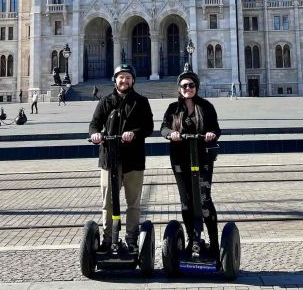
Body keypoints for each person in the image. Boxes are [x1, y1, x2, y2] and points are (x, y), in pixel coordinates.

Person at [89, 64, 154, 253]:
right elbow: (94, 124)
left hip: (133, 159)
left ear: (133, 80)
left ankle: (132, 239)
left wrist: (134, 133)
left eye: (128, 77)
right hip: (109, 159)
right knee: (108, 203)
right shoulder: (105, 101)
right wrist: (95, 134)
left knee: (133, 204)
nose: (124, 80)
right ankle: (108, 239)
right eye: (121, 77)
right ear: (115, 80)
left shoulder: (141, 101)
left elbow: (148, 127)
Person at [161, 69, 222, 257]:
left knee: (204, 200)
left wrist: (211, 134)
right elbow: (163, 128)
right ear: (179, 88)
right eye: (184, 86)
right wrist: (171, 134)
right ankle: (192, 241)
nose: (188, 88)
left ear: (196, 87)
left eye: (191, 85)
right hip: (180, 159)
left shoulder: (206, 107)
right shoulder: (173, 108)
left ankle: (214, 243)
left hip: (202, 158)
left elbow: (216, 129)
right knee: (186, 202)